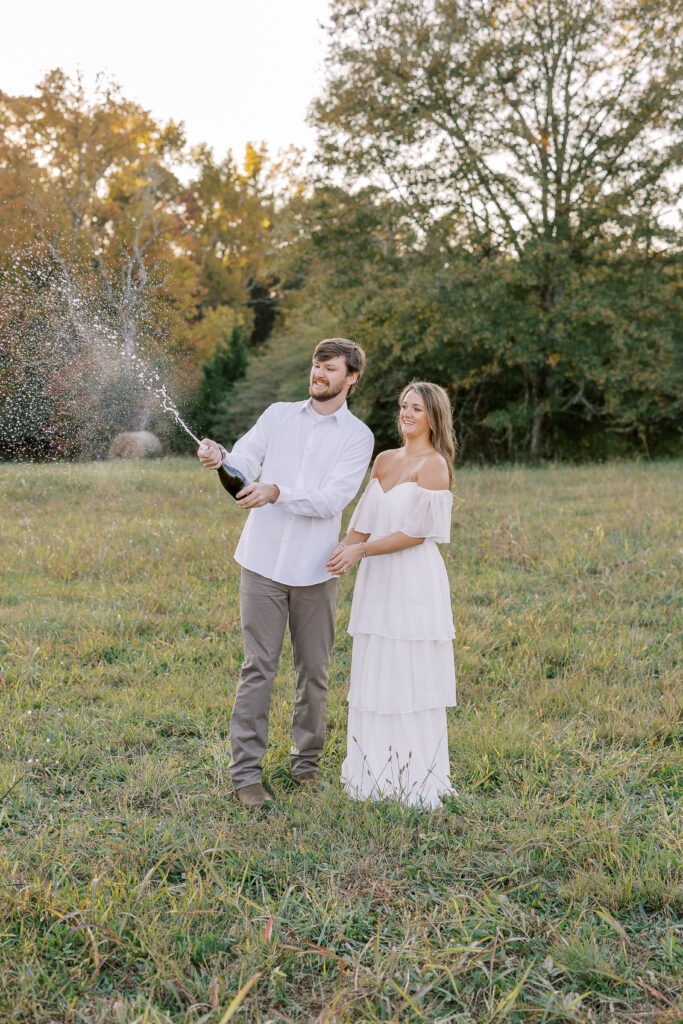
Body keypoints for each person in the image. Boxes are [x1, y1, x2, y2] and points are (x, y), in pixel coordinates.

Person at [198, 339, 374, 809]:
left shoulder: (358, 437)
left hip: (317, 570)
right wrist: (220, 458)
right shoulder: (277, 414)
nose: (319, 373)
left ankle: (306, 764)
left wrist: (276, 491)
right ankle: (245, 776)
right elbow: (244, 462)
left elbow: (331, 500)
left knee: (313, 672)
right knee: (258, 668)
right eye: (317, 364)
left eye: (330, 368)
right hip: (261, 563)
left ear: (351, 378)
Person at [326, 381, 456, 809]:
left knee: (407, 669)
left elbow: (416, 534)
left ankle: (413, 777)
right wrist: (341, 549)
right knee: (377, 666)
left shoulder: (435, 466)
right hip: (377, 577)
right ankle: (371, 774)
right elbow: (362, 522)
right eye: (404, 406)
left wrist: (360, 551)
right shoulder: (384, 459)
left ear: (433, 417)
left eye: (416, 408)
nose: (406, 414)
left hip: (412, 580)